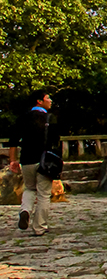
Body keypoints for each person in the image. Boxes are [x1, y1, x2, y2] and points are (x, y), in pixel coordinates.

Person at [6, 90, 58, 236]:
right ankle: (40, 227)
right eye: (48, 98)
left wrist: (12, 160)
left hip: (27, 160)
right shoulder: (49, 118)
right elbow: (55, 141)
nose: (50, 100)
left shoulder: (23, 118)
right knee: (43, 194)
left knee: (29, 188)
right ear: (39, 101)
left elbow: (13, 141)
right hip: (44, 160)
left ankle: (25, 210)